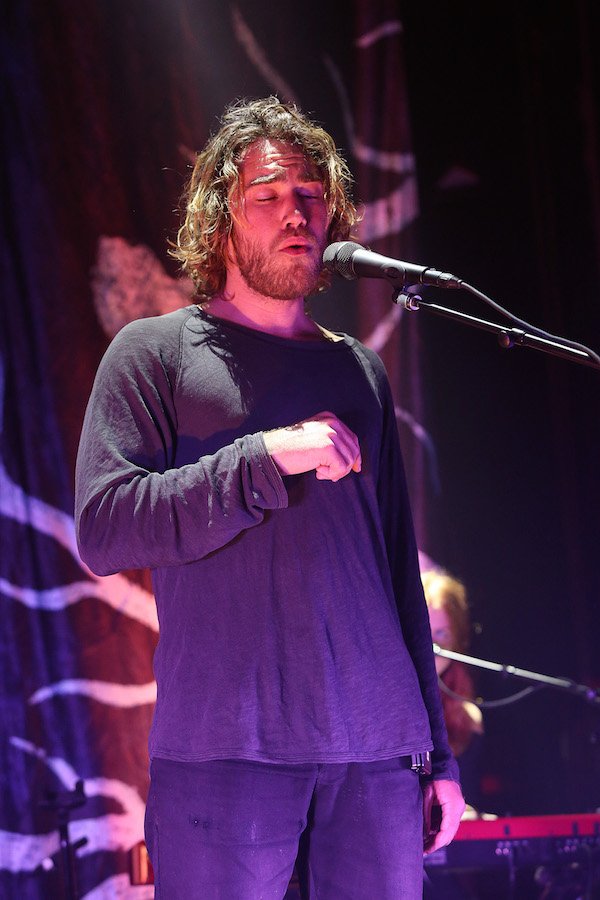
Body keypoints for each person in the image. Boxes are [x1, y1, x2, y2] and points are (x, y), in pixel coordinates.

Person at [75, 96, 464, 899]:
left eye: (311, 195)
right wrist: (263, 458)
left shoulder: (358, 370)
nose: (297, 213)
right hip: (226, 754)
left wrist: (436, 755)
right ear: (220, 219)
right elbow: (106, 528)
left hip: (377, 758)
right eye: (269, 195)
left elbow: (397, 574)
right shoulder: (154, 354)